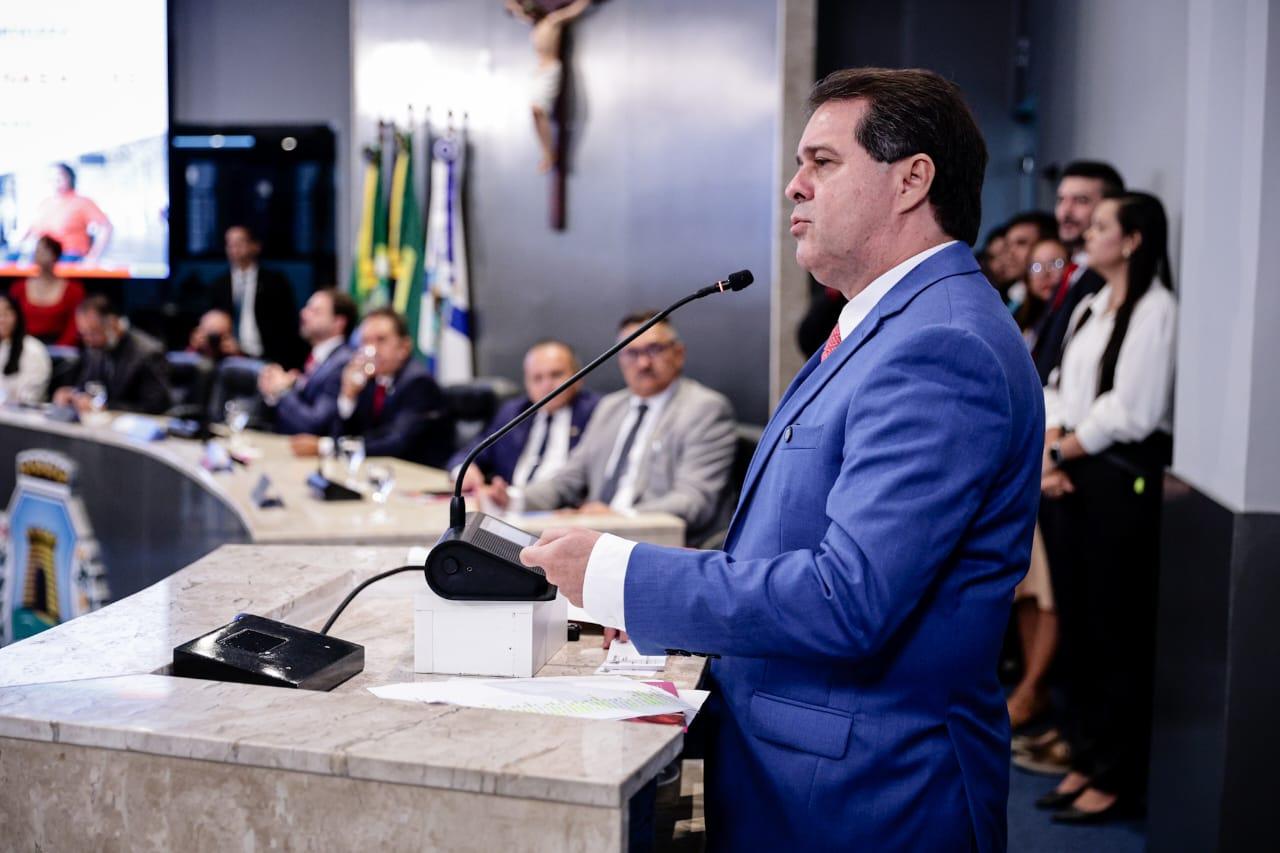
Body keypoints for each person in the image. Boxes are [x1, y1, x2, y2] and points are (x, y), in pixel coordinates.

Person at [520, 68, 1043, 849]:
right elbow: (787, 544)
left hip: (869, 793)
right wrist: (664, 610)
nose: (793, 187)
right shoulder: (879, 326)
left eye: (821, 162)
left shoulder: (942, 344)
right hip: (799, 769)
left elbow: (848, 597)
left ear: (912, 179)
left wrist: (625, 577)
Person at [1035, 192, 1176, 825]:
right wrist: (1051, 451)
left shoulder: (1156, 309)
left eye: (1100, 226)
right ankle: (1086, 755)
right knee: (1081, 629)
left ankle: (1116, 774)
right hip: (1072, 477)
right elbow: (1058, 385)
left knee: (1117, 632)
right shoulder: (1092, 303)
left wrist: (1063, 452)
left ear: (1136, 239)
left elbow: (1134, 409)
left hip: (1119, 485)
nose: (1087, 235)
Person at [485, 311, 736, 545]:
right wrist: (514, 499)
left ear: (678, 353)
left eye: (655, 350)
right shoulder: (609, 407)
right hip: (598, 537)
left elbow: (693, 501)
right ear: (620, 359)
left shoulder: (705, 409)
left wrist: (619, 515)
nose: (643, 363)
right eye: (632, 353)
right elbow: (569, 478)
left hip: (656, 542)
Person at [295, 308, 449, 467]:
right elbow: (347, 434)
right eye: (366, 341)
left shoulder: (418, 382)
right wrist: (348, 397)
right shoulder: (370, 381)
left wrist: (327, 447)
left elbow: (394, 442)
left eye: (381, 340)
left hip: (422, 478)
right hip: (379, 472)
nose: (372, 350)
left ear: (404, 347)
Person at [448, 339, 599, 491]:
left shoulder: (598, 412)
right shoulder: (513, 412)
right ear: (527, 383)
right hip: (510, 505)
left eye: (556, 375)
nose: (546, 385)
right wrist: (464, 470)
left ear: (578, 377)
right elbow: (469, 454)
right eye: (537, 378)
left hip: (567, 509)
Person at [1030, 161, 1125, 384]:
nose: (1066, 212)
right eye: (1061, 200)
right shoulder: (1072, 271)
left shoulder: (1105, 280)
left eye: (1081, 201)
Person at [505, 0, 594, 173]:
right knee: (535, 113)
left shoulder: (552, 20)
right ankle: (546, 153)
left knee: (538, 110)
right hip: (537, 73)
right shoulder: (535, 25)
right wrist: (512, 5)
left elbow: (573, 10)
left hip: (549, 70)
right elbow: (518, 12)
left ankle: (548, 154)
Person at [259, 289, 357, 436]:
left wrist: (282, 391)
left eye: (315, 311)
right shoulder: (318, 357)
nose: (304, 314)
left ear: (339, 323)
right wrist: (274, 391)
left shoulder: (343, 363)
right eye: (306, 308)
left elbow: (316, 425)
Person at [52, 296, 171, 414]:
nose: (88, 340)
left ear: (113, 324)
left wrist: (103, 406)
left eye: (93, 332)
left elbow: (156, 407)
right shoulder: (95, 350)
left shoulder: (148, 353)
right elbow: (86, 387)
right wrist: (72, 395)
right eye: (84, 334)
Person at [211, 225, 306, 369]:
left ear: (255, 246)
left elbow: (287, 325)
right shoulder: (219, 284)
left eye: (239, 243)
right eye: (229, 244)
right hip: (229, 359)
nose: (234, 249)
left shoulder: (275, 282)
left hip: (267, 358)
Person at [20, 163, 112, 264]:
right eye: (51, 178)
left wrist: (93, 257)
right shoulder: (45, 204)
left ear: (69, 178)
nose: (55, 181)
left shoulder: (82, 202)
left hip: (69, 256)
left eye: (59, 176)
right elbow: (31, 230)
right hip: (44, 256)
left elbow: (106, 227)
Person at [9, 236, 85, 346]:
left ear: (55, 255)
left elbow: (75, 325)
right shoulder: (18, 288)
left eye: (44, 250)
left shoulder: (74, 290)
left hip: (60, 350)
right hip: (24, 347)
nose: (39, 254)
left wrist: (60, 348)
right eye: (37, 250)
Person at [1001, 211, 1059, 313]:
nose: (1010, 253)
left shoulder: (1051, 297)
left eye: (1021, 243)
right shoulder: (1009, 295)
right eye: (1007, 245)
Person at [0, 293, 52, 404]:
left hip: (22, 415)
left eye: (6, 314)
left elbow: (30, 396)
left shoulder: (33, 349)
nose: (1, 320)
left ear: (17, 316)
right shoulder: (3, 346)